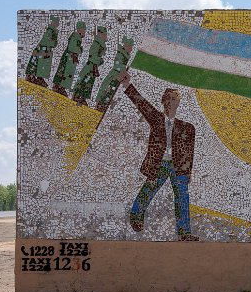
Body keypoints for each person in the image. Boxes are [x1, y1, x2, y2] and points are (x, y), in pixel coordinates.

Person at [117, 71, 198, 241]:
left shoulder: (187, 127)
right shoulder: (156, 119)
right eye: (169, 99)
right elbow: (142, 104)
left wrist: (188, 171)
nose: (172, 103)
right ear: (164, 102)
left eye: (175, 100)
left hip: (178, 167)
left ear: (178, 103)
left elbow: (189, 151)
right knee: (149, 189)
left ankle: (184, 232)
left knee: (182, 196)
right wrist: (126, 84)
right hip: (159, 163)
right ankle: (136, 215)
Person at [95, 36, 134, 112]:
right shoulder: (120, 54)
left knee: (110, 91)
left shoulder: (125, 55)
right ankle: (99, 106)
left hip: (118, 76)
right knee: (107, 90)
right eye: (130, 47)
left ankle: (106, 103)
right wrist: (125, 72)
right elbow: (117, 65)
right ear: (126, 46)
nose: (131, 49)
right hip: (114, 76)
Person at [72, 26, 108, 106]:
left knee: (89, 83)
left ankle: (82, 98)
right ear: (100, 34)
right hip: (90, 66)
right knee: (84, 81)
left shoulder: (100, 44)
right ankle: (77, 97)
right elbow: (92, 55)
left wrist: (99, 61)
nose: (106, 36)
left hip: (93, 67)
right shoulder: (97, 43)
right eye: (105, 34)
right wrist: (99, 61)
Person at [52, 21, 86, 97]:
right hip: (69, 58)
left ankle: (60, 87)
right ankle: (59, 87)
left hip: (71, 58)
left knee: (67, 72)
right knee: (65, 72)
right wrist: (80, 49)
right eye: (84, 30)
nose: (84, 32)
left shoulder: (77, 37)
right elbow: (72, 47)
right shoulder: (75, 36)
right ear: (80, 29)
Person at [25, 16, 59, 87]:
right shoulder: (50, 31)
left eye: (57, 22)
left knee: (43, 65)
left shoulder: (53, 31)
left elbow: (53, 43)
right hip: (44, 50)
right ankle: (35, 77)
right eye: (55, 22)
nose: (56, 24)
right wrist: (52, 43)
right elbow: (45, 41)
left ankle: (39, 78)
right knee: (40, 64)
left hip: (46, 51)